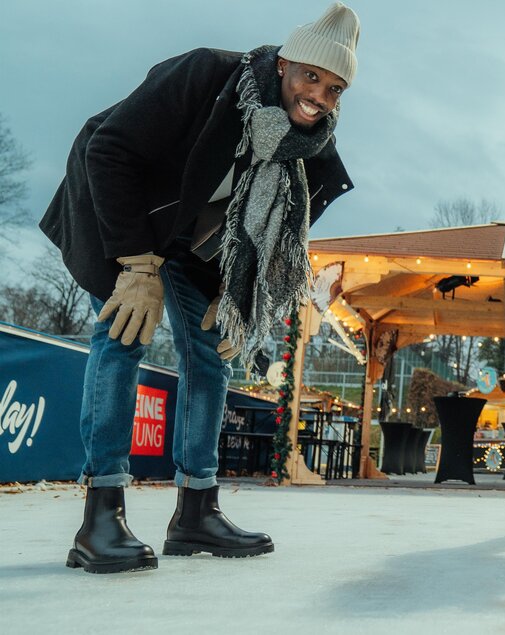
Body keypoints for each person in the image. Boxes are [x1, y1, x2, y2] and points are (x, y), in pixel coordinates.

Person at [40, 2, 361, 574]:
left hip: (197, 241)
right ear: (285, 64)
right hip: (124, 211)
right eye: (311, 76)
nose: (320, 95)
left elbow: (274, 230)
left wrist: (239, 292)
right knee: (122, 336)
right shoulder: (207, 75)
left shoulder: (313, 151)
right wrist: (138, 267)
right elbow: (109, 149)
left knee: (209, 356)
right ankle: (100, 518)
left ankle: (196, 512)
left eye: (335, 87)